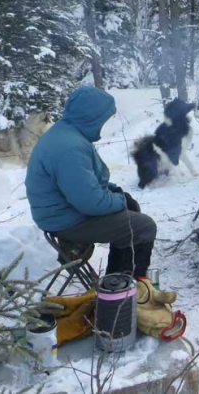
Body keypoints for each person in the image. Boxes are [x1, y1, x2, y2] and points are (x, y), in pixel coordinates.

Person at [25, 86, 155, 278]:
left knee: (130, 209)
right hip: (66, 220)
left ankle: (117, 280)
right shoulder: (70, 147)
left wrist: (115, 193)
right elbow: (90, 202)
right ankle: (126, 290)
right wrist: (119, 200)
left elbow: (84, 183)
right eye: (104, 118)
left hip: (62, 212)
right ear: (91, 116)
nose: (105, 124)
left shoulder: (67, 134)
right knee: (144, 227)